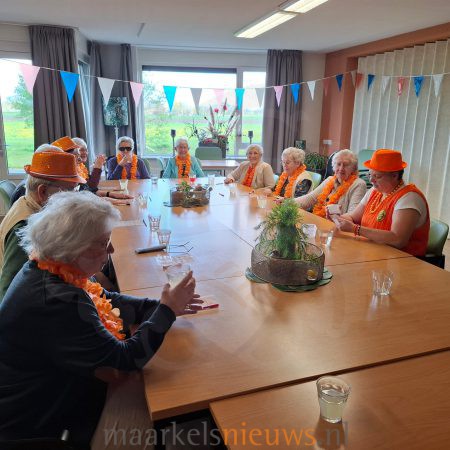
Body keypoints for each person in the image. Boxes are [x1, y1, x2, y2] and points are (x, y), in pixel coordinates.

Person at [0, 191, 201, 448]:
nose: (112, 249)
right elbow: (125, 360)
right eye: (104, 242)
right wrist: (166, 312)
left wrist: (162, 306)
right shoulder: (57, 301)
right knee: (150, 394)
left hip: (59, 386)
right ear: (74, 247)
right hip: (36, 422)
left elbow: (109, 301)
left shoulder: (50, 268)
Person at [0, 150, 84, 301]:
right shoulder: (25, 228)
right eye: (70, 190)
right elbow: (8, 292)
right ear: (43, 191)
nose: (75, 198)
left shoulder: (28, 203)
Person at [336, 149, 430, 256]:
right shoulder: (374, 191)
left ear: (394, 176)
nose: (371, 180)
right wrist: (337, 218)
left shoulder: (409, 197)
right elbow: (353, 217)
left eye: (377, 176)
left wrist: (355, 229)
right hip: (371, 253)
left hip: (401, 260)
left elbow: (398, 239)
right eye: (370, 175)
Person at [295, 149, 367, 217]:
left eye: (346, 165)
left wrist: (334, 215)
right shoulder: (330, 180)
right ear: (333, 166)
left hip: (338, 224)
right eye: (338, 164)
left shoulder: (358, 184)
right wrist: (289, 202)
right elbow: (311, 198)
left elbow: (353, 215)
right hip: (321, 220)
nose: (341, 168)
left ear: (353, 168)